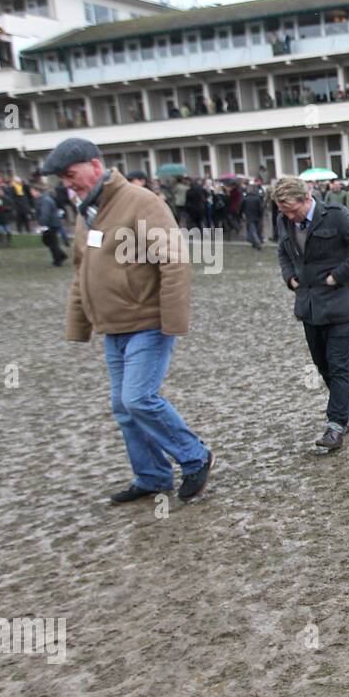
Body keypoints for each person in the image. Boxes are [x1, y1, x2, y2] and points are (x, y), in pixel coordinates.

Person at [50, 137, 214, 503]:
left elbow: (173, 260)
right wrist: (79, 324)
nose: (67, 184)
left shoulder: (141, 202)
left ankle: (195, 456)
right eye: (61, 179)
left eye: (69, 174)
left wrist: (172, 319)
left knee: (139, 398)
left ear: (94, 165)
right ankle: (153, 476)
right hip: (113, 327)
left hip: (147, 321)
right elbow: (82, 271)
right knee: (124, 408)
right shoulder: (86, 212)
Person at [274, 175, 349, 450]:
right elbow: (283, 252)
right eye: (284, 212)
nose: (289, 216)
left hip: (342, 304)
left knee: (337, 363)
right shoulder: (284, 219)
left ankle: (335, 424)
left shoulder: (336, 216)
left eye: (293, 210)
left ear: (307, 199)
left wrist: (339, 276)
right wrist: (289, 278)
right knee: (323, 365)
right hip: (308, 305)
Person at [242, 183, 265, 250]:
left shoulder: (245, 198)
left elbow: (241, 208)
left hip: (249, 217)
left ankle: (257, 243)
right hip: (257, 217)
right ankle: (255, 243)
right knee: (256, 231)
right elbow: (261, 209)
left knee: (253, 231)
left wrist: (241, 215)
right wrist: (261, 216)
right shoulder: (257, 198)